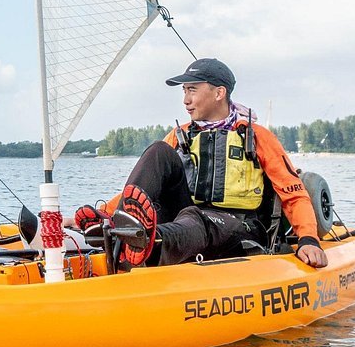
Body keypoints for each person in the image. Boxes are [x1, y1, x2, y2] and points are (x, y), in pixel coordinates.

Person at [72, 58, 329, 269]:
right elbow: (141, 189)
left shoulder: (257, 136)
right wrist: (106, 210)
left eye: (192, 89)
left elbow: (293, 194)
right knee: (158, 151)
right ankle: (120, 227)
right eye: (184, 91)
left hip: (240, 226)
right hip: (187, 218)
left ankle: (148, 244)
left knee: (195, 220)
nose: (185, 100)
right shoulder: (180, 134)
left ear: (219, 93)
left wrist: (308, 239)